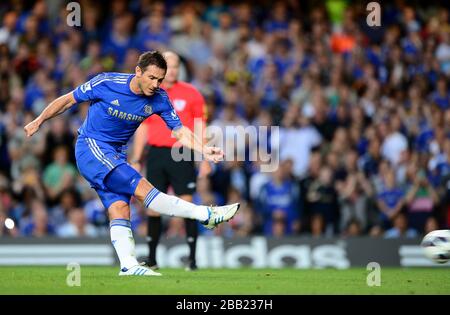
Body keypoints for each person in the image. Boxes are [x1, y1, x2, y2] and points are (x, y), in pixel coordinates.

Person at [24, 51, 240, 277]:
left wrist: (203, 149)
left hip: (115, 154)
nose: (156, 84)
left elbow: (179, 131)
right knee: (144, 191)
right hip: (91, 147)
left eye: (160, 79)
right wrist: (39, 121)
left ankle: (128, 265)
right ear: (138, 71)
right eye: (152, 78)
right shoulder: (107, 82)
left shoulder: (160, 98)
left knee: (120, 206)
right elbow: (68, 99)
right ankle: (205, 215)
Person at [132, 51, 208, 271]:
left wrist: (203, 156)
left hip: (182, 152)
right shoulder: (151, 93)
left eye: (175, 66)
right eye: (168, 66)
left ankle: (192, 260)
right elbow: (143, 127)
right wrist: (137, 158)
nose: (172, 70)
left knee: (187, 203)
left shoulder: (192, 93)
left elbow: (199, 126)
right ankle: (152, 259)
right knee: (153, 207)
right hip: (156, 153)